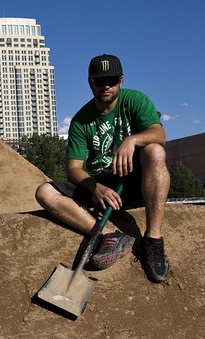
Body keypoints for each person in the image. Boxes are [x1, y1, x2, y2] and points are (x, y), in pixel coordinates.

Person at [35, 54, 170, 283]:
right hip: (102, 185)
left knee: (155, 151)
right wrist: (94, 187)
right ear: (90, 82)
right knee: (44, 192)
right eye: (99, 81)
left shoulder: (135, 101)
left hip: (134, 182)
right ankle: (111, 237)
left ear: (121, 80)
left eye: (112, 80)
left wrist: (132, 140)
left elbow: (159, 135)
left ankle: (153, 240)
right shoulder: (81, 120)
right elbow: (73, 168)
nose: (106, 86)